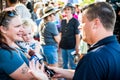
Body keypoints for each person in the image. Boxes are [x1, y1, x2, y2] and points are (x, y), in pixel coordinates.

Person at [28, 2, 120, 80]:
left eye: (83, 22)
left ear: (95, 24)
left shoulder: (93, 59)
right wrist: (64, 72)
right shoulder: (116, 49)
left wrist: (44, 78)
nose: (79, 26)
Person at [0, 10, 36, 79]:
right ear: (3, 29)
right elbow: (31, 78)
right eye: (17, 26)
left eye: (22, 26)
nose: (22, 29)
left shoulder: (13, 43)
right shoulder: (6, 54)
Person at [59, 3, 80, 70]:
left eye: (68, 9)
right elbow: (61, 33)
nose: (66, 11)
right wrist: (59, 44)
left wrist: (77, 46)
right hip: (63, 46)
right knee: (64, 64)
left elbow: (77, 35)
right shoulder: (63, 21)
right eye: (65, 9)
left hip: (72, 46)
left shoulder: (75, 21)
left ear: (72, 10)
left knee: (73, 65)